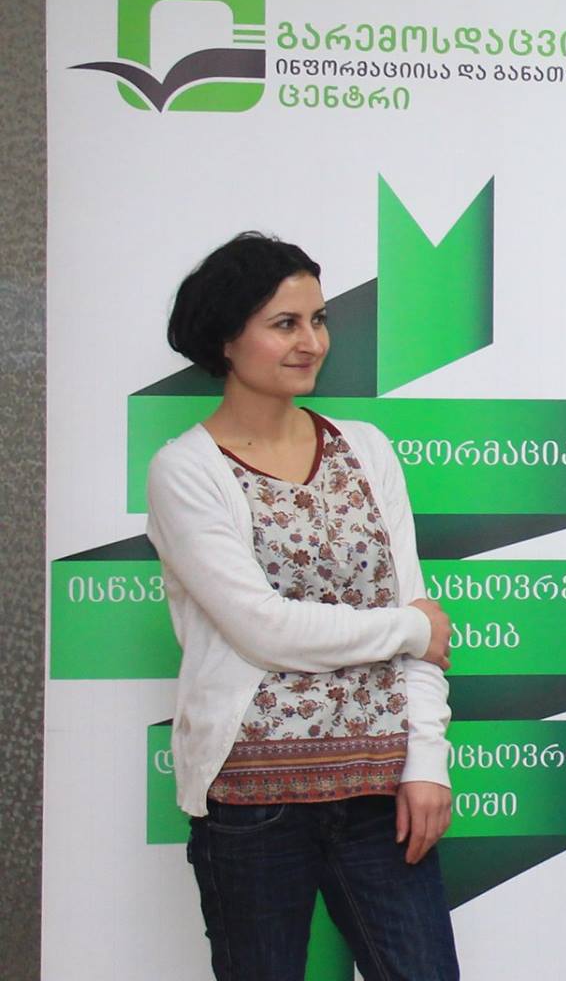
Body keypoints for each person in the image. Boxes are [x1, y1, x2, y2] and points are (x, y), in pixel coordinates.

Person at [146, 232, 461, 980]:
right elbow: (265, 628)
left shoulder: (367, 448)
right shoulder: (185, 470)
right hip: (254, 806)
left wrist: (427, 762)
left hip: (381, 796)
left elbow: (417, 612)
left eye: (318, 320)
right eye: (284, 324)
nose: (311, 342)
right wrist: (408, 629)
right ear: (226, 339)